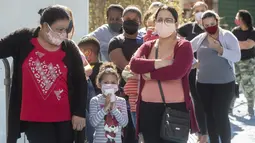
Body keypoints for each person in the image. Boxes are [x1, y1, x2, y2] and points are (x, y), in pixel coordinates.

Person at [0, 5, 87, 143]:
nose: (64, 34)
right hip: (34, 118)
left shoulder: (69, 48)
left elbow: (80, 82)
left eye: (67, 29)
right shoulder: (23, 39)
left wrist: (79, 112)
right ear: (45, 27)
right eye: (59, 29)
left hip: (64, 118)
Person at [130, 5, 198, 143]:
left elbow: (177, 71)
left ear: (176, 24)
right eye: (159, 20)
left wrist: (151, 74)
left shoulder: (184, 46)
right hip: (147, 109)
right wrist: (161, 63)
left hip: (175, 109)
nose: (163, 23)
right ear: (155, 23)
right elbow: (134, 64)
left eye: (168, 20)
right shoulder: (148, 45)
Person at [191, 10, 241, 143]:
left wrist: (221, 50)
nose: (210, 27)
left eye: (212, 23)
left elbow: (237, 56)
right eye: (206, 25)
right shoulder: (200, 38)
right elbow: (186, 50)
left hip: (225, 84)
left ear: (217, 21)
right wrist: (193, 63)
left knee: (221, 115)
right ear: (203, 26)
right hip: (203, 84)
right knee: (209, 115)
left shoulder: (227, 36)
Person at [108, 5, 143, 143]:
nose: (131, 21)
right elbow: (126, 67)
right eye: (127, 18)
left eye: (135, 19)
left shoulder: (145, 42)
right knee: (125, 133)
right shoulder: (116, 42)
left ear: (140, 22)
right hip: (123, 95)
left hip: (143, 95)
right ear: (122, 20)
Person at [178, 1, 208, 142]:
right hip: (191, 71)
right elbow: (175, 39)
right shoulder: (187, 29)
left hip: (210, 71)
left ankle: (207, 131)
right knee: (197, 100)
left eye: (203, 10)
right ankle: (201, 132)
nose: (200, 13)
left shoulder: (213, 29)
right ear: (193, 12)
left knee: (208, 101)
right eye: (197, 10)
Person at [89, 62, 128, 143]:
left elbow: (124, 123)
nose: (109, 85)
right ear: (99, 84)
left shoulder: (121, 101)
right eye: (106, 83)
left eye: (113, 83)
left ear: (117, 85)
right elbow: (93, 123)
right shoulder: (95, 100)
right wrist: (104, 109)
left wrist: (114, 109)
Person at [231, 10, 255, 117]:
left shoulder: (252, 32)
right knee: (233, 85)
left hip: (248, 63)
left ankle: (250, 107)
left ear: (243, 19)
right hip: (235, 61)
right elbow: (229, 44)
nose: (236, 19)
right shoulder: (235, 31)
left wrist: (235, 43)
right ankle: (230, 107)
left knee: (248, 86)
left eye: (237, 17)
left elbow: (248, 45)